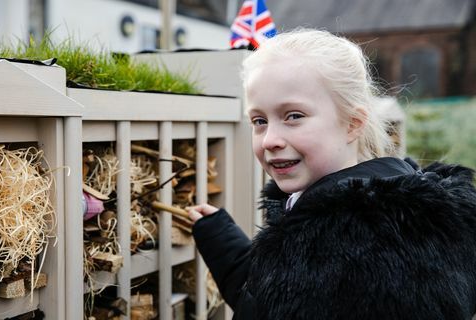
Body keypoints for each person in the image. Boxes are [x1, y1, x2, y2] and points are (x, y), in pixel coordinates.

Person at [188, 29, 476, 320]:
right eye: (259, 121)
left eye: (294, 116)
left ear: (352, 123)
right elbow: (275, 301)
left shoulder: (365, 251)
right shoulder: (367, 217)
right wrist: (219, 237)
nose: (269, 139)